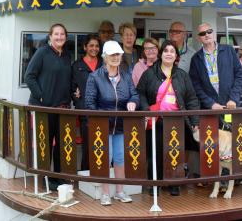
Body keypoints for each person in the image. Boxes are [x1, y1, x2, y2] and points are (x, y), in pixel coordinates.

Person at [137, 40, 200, 196]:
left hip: (176, 120)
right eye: (166, 50)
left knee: (174, 153)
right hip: (156, 119)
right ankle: (155, 183)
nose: (169, 53)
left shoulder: (182, 75)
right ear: (161, 53)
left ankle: (174, 183)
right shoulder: (149, 73)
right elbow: (140, 93)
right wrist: (146, 110)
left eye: (172, 51)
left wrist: (195, 121)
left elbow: (192, 99)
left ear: (176, 56)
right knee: (155, 152)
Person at [85, 40, 139, 205]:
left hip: (121, 126)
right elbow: (89, 103)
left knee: (120, 158)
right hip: (102, 127)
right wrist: (97, 122)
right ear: (105, 57)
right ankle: (105, 193)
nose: (116, 57)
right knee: (105, 158)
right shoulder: (94, 77)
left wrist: (133, 102)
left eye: (118, 54)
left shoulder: (127, 76)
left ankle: (120, 192)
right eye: (112, 54)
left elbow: (134, 95)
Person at [25, 23, 72, 189]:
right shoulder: (42, 52)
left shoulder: (67, 55)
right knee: (45, 144)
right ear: (50, 36)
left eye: (62, 34)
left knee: (61, 145)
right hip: (45, 109)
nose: (59, 37)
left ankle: (59, 177)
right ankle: (46, 180)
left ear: (65, 37)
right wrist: (42, 96)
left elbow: (67, 79)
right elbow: (29, 77)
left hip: (62, 108)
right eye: (56, 34)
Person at [189, 22, 242, 114]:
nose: (206, 35)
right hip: (210, 109)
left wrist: (233, 99)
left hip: (230, 106)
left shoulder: (229, 50)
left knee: (231, 129)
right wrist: (210, 103)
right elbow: (195, 85)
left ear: (213, 33)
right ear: (199, 38)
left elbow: (240, 76)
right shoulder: (196, 58)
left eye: (209, 31)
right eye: (202, 33)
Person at [71, 34, 103, 170]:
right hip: (86, 112)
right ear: (85, 47)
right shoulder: (77, 65)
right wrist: (78, 102)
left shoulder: (104, 63)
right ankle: (85, 174)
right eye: (91, 45)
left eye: (96, 46)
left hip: (103, 111)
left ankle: (101, 173)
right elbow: (72, 88)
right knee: (88, 145)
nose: (94, 48)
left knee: (103, 145)